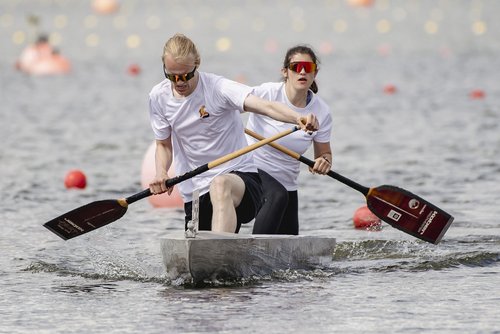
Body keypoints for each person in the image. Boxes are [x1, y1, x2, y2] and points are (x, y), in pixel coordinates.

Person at [148, 34, 318, 234]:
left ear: (197, 64)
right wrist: (161, 172)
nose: (179, 82)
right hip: (195, 189)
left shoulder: (218, 88)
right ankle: (223, 254)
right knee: (199, 252)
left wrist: (298, 117)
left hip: (241, 179)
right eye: (172, 76)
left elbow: (266, 106)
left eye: (186, 75)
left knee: (220, 185)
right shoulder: (158, 97)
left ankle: (221, 254)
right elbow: (164, 145)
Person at [246, 45, 333, 235]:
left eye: (308, 67)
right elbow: (230, 103)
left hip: (287, 181)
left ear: (314, 73)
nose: (302, 71)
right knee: (277, 196)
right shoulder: (267, 93)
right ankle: (253, 255)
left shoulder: (322, 112)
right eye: (296, 66)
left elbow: (324, 154)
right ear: (285, 72)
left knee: (290, 247)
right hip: (251, 170)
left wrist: (323, 162)